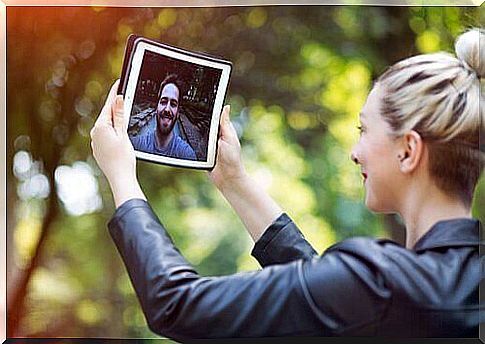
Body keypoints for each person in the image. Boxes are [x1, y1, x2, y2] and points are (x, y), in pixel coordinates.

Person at [90, 29, 484, 340]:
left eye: (363, 130)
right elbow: (333, 295)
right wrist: (234, 181)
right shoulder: (446, 285)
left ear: (409, 150)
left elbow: (177, 306)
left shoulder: (378, 286)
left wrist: (122, 178)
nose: (354, 151)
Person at [130, 74, 197, 160]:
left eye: (173, 104)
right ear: (156, 107)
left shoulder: (187, 155)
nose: (167, 109)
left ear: (178, 113)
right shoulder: (136, 145)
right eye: (164, 102)